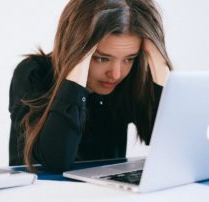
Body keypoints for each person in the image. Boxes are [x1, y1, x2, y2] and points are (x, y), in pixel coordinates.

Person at [9, 0, 172, 173]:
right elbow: (56, 161)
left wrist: (161, 66)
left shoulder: (128, 80)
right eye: (101, 58)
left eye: (129, 58)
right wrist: (76, 71)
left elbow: (172, 145)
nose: (116, 74)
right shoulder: (33, 73)